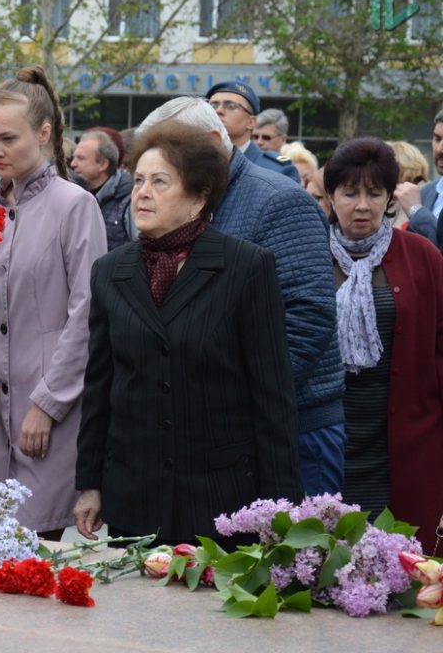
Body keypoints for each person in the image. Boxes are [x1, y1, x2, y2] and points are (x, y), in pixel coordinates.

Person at [74, 121, 302, 547]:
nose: (143, 192)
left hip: (222, 498)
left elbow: (273, 397)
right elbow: (100, 385)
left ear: (199, 197)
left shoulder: (245, 267)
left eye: (160, 182)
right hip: (135, 495)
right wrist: (90, 482)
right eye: (138, 179)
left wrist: (281, 508)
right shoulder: (110, 270)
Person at [134, 97, 344, 496]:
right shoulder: (173, 209)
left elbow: (308, 318)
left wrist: (226, 404)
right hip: (208, 434)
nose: (153, 177)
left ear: (214, 141)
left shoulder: (279, 201)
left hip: (295, 428)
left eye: (170, 159)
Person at [0, 67, 107, 535]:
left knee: (34, 542)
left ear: (45, 132)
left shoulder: (74, 205)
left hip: (47, 412)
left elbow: (87, 313)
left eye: (7, 138)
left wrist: (48, 403)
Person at [323, 138, 443, 543]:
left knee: (404, 563)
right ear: (330, 195)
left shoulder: (422, 255)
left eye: (375, 194)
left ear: (391, 197)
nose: (362, 205)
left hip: (405, 439)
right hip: (331, 435)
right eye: (350, 193)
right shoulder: (309, 256)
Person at [205, 82, 300, 182]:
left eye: (230, 106)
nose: (218, 111)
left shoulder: (278, 170)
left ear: (251, 122)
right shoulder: (196, 162)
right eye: (213, 106)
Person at [71, 130, 133, 251]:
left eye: (81, 158)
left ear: (103, 164)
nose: (73, 164)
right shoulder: (76, 195)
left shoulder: (129, 200)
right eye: (74, 157)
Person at [397, 109, 443, 249]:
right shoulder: (426, 192)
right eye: (437, 139)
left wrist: (416, 210)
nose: (440, 149)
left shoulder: (415, 203)